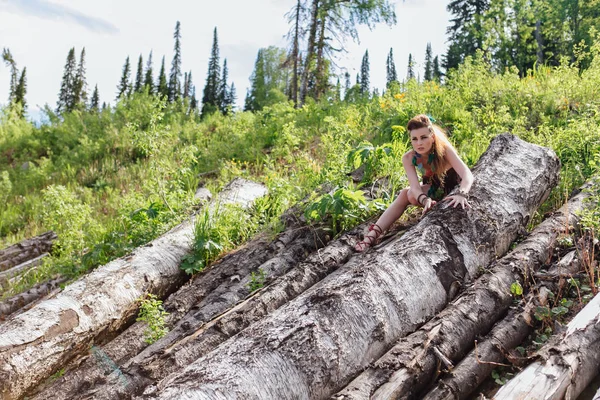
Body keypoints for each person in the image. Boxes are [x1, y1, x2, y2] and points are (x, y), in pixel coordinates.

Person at [354, 114, 474, 252]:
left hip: (453, 189)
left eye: (423, 137)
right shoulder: (409, 158)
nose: (419, 143)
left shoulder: (444, 150)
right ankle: (372, 235)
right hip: (434, 192)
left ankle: (372, 235)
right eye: (414, 139)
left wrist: (462, 193)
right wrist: (425, 200)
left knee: (409, 193)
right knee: (407, 194)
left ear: (432, 137)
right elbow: (415, 188)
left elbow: (467, 174)